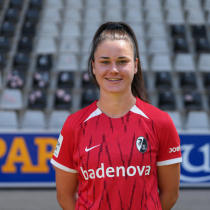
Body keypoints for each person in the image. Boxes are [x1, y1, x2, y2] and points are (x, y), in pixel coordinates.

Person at [50, 22, 182, 210]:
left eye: (122, 61)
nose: (114, 69)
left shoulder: (160, 122)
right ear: (93, 67)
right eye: (105, 62)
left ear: (135, 66)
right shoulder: (74, 125)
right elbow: (64, 196)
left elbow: (171, 194)